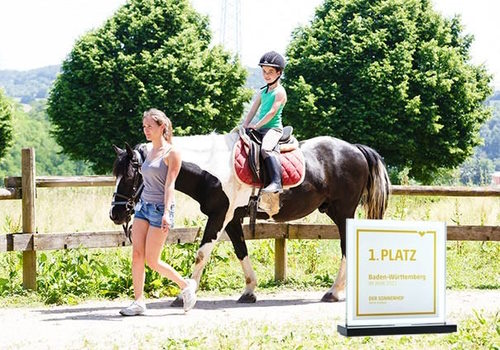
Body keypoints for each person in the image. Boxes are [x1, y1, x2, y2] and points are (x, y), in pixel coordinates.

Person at [119, 108, 197, 316]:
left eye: (149, 127)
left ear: (162, 127)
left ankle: (186, 286)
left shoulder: (172, 153)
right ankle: (138, 302)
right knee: (137, 255)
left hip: (160, 209)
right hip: (143, 207)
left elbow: (170, 184)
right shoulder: (147, 150)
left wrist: (167, 212)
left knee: (152, 260)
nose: (146, 130)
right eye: (144, 127)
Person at [242, 51, 287, 193]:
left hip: (273, 129)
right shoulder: (263, 92)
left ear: (279, 73)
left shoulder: (280, 92)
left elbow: (272, 112)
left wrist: (256, 125)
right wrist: (245, 124)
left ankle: (276, 182)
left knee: (266, 148)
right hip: (261, 128)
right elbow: (253, 109)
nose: (266, 75)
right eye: (264, 71)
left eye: (270, 72)